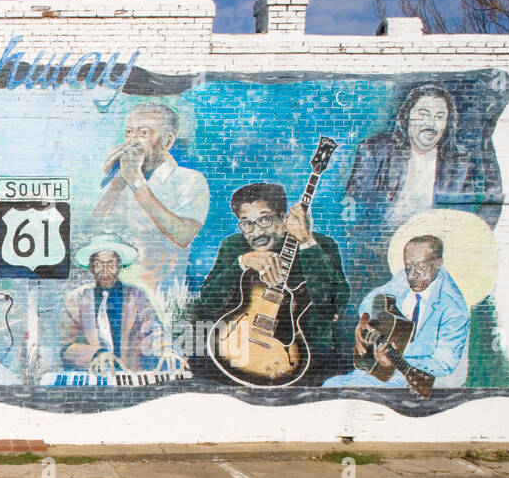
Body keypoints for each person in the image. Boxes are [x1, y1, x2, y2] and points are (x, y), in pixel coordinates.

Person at [193, 182, 351, 384]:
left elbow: (332, 306)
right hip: (240, 348)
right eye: (247, 224)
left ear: (284, 218)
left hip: (304, 353)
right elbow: (208, 301)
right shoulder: (234, 246)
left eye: (265, 219)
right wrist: (242, 263)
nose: (257, 232)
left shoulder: (321, 245)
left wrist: (305, 243)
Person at [91, 102, 209, 313]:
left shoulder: (189, 180)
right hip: (116, 296)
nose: (132, 142)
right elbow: (91, 229)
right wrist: (117, 180)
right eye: (128, 133)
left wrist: (136, 182)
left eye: (144, 133)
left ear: (167, 141)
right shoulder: (122, 179)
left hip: (161, 299)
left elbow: (183, 235)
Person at [345, 84, 501, 228]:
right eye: (423, 115)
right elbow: (359, 209)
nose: (430, 124)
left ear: (448, 123)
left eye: (439, 117)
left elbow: (459, 217)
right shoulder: (375, 151)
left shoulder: (459, 164)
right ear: (407, 117)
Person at [323, 236, 470, 389]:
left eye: (421, 267)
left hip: (413, 376)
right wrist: (364, 320)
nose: (412, 275)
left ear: (438, 263)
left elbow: (443, 363)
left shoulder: (454, 310)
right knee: (331, 385)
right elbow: (372, 298)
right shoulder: (404, 277)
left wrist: (397, 358)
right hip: (383, 368)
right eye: (408, 267)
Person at [59, 236, 182, 374]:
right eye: (99, 265)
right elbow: (66, 348)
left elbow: (152, 328)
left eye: (111, 265)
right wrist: (98, 353)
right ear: (91, 268)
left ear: (119, 266)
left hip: (130, 375)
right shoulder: (77, 299)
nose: (105, 271)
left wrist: (165, 350)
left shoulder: (136, 296)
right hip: (94, 375)